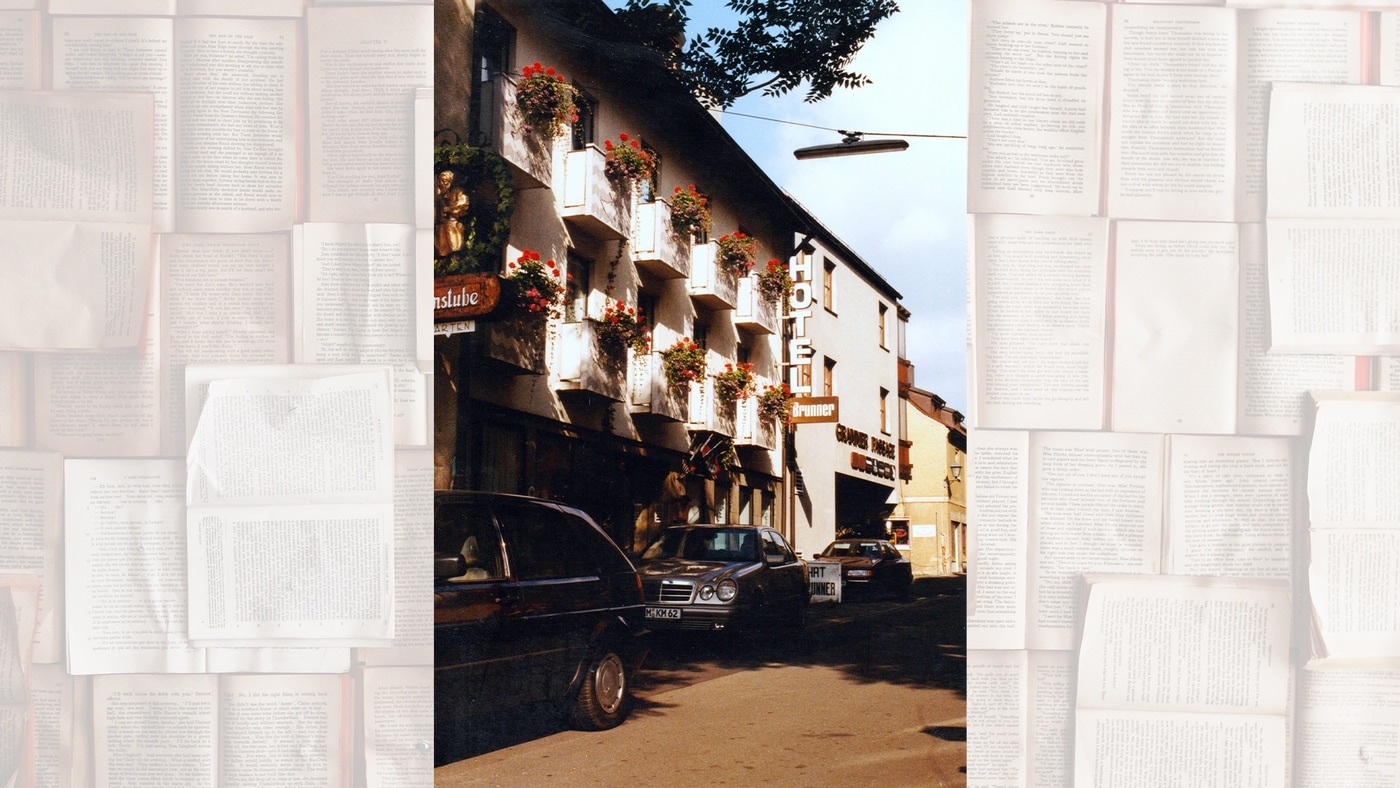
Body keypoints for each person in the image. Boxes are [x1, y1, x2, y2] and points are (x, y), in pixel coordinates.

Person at [435, 169, 470, 257]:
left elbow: (464, 205)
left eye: (444, 181)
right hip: (442, 225)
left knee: (455, 247)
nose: (441, 183)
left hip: (453, 225)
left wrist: (450, 209)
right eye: (440, 181)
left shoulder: (458, 192)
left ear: (450, 181)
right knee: (443, 250)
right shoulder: (440, 193)